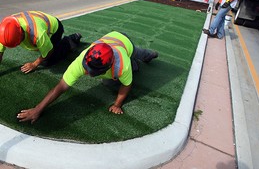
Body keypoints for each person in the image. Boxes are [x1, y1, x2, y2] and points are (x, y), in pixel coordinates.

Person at [17, 31, 158, 123]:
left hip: (124, 43)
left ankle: (149, 55)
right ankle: (138, 62)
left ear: (108, 66)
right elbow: (61, 86)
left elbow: (127, 85)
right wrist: (38, 109)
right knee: (109, 81)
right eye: (88, 68)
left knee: (140, 55)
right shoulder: (82, 60)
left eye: (94, 71)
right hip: (111, 38)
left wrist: (117, 105)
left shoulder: (122, 64)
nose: (89, 73)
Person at [0, 11, 82, 73]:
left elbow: (49, 51)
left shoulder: (37, 34)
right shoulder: (6, 29)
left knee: (48, 61)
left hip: (55, 28)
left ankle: (71, 40)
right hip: (40, 20)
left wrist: (34, 64)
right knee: (40, 47)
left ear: (21, 34)